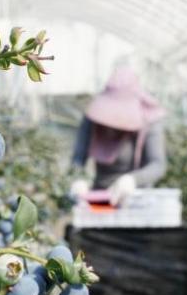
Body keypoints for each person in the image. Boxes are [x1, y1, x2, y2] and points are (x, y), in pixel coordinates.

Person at [69, 67, 167, 205]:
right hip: (100, 196)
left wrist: (132, 179)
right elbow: (78, 159)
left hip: (137, 199)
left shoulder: (149, 119)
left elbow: (157, 165)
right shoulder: (93, 118)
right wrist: (78, 180)